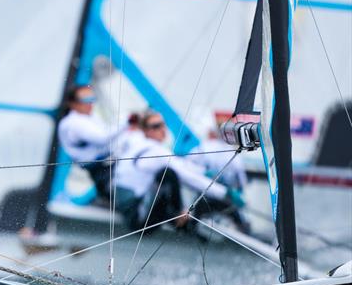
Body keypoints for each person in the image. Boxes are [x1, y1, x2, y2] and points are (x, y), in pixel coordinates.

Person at [114, 110, 244, 232]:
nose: (162, 129)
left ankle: (183, 217)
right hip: (138, 217)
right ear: (146, 131)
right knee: (168, 174)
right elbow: (186, 176)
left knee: (169, 174)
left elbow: (182, 164)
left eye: (163, 124)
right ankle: (180, 219)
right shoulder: (155, 151)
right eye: (156, 126)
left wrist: (203, 172)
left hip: (129, 208)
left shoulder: (139, 144)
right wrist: (225, 193)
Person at [57, 85, 126, 199]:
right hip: (100, 171)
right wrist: (127, 121)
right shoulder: (72, 122)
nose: (90, 104)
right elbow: (102, 138)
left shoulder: (89, 116)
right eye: (86, 100)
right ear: (72, 103)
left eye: (92, 99)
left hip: (110, 165)